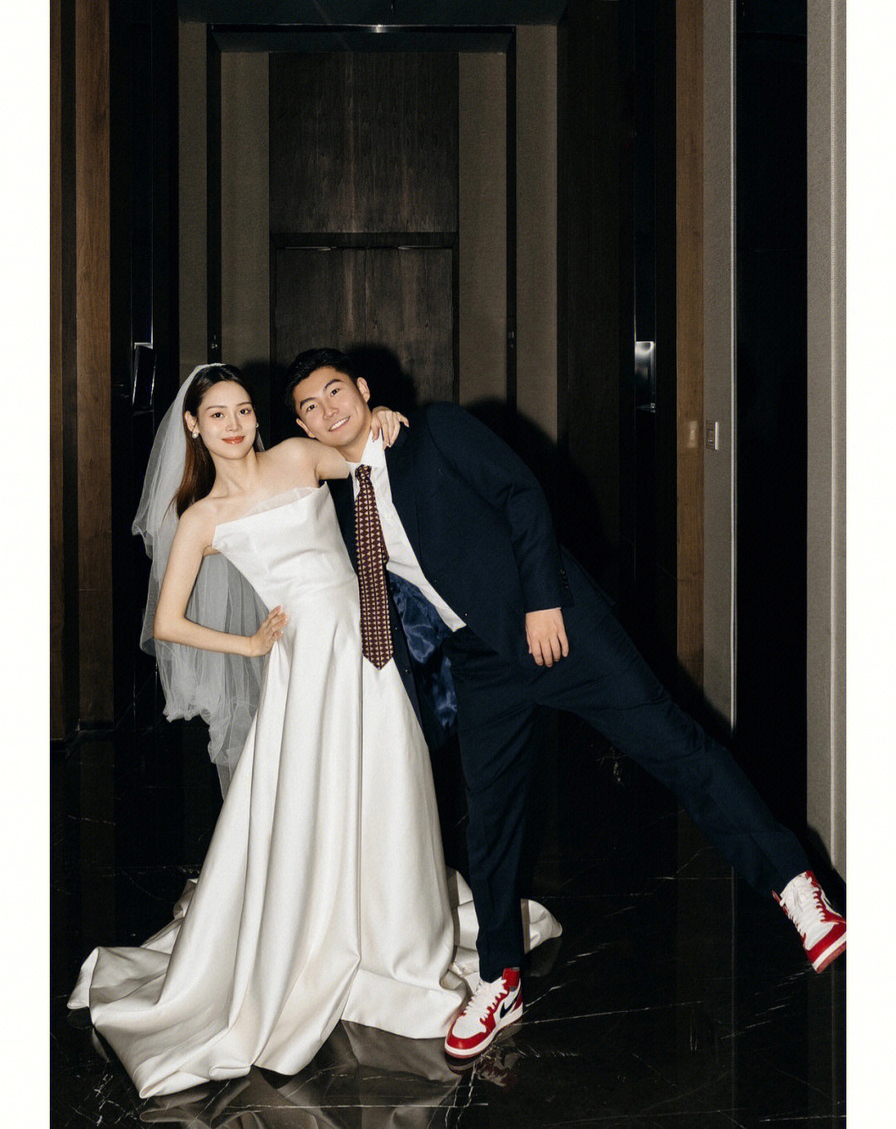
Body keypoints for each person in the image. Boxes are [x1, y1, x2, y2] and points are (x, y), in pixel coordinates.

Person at [285, 346, 847, 1062]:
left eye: (336, 391)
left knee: (677, 747)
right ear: (303, 425)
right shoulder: (342, 495)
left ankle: (796, 887)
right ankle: (500, 977)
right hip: (479, 662)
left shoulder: (436, 430)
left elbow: (521, 494)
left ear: (363, 389)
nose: (329, 409)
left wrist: (544, 600)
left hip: (557, 626)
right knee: (491, 823)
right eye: (311, 406)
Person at [67, 363, 562, 1098]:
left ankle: (396, 931)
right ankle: (316, 935)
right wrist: (250, 645)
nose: (235, 424)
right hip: (306, 672)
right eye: (217, 414)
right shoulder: (203, 517)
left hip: (369, 653)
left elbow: (367, 460)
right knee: (313, 804)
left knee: (390, 789)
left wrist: (384, 419)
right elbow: (167, 621)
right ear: (194, 427)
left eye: (243, 409)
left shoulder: (298, 457)